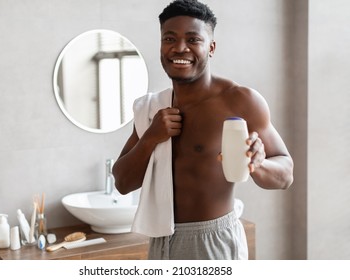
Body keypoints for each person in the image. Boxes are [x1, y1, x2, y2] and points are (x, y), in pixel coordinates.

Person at [112, 0, 293, 260]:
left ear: (211, 47)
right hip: (160, 242)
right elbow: (122, 183)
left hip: (214, 242)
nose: (179, 48)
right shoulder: (152, 108)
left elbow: (286, 174)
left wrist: (258, 163)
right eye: (169, 38)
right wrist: (151, 138)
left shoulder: (240, 101)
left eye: (193, 39)